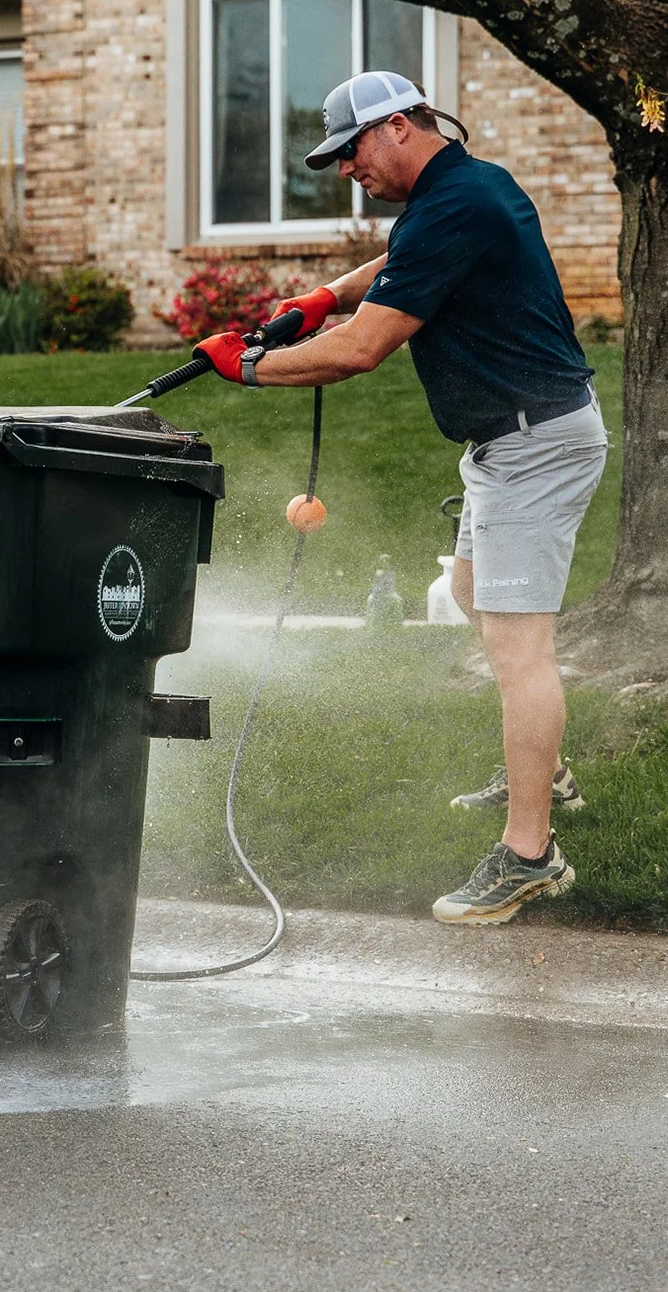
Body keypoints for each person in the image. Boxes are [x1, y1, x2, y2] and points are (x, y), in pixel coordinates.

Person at [194, 70, 608, 927]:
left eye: (349, 151)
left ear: (393, 128)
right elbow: (401, 258)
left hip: (535, 445)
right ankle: (542, 765)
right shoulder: (460, 188)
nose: (345, 168)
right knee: (466, 596)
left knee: (518, 652)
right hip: (505, 442)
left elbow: (360, 354)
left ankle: (529, 853)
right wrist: (324, 297)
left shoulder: (454, 203)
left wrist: (252, 366)